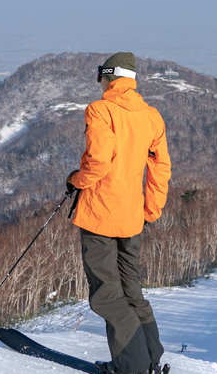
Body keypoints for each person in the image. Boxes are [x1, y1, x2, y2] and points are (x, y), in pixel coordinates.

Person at [66, 52, 172, 374]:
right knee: (131, 291)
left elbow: (98, 162)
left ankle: (132, 367)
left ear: (108, 76)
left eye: (100, 73)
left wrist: (75, 180)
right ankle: (150, 359)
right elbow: (161, 167)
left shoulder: (101, 111)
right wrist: (151, 209)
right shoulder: (152, 116)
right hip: (131, 218)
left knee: (107, 297)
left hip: (100, 215)